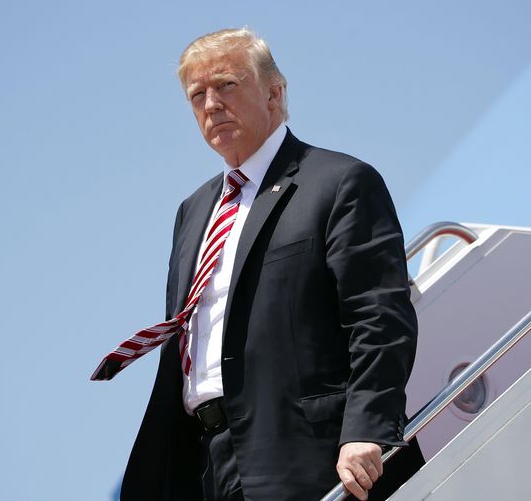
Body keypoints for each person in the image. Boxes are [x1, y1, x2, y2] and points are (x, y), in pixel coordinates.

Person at [92, 28, 422, 500]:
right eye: (197, 94)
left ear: (274, 92)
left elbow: (380, 317)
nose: (211, 104)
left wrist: (367, 427)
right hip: (205, 463)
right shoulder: (193, 211)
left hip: (307, 453)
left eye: (226, 84)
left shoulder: (339, 181)